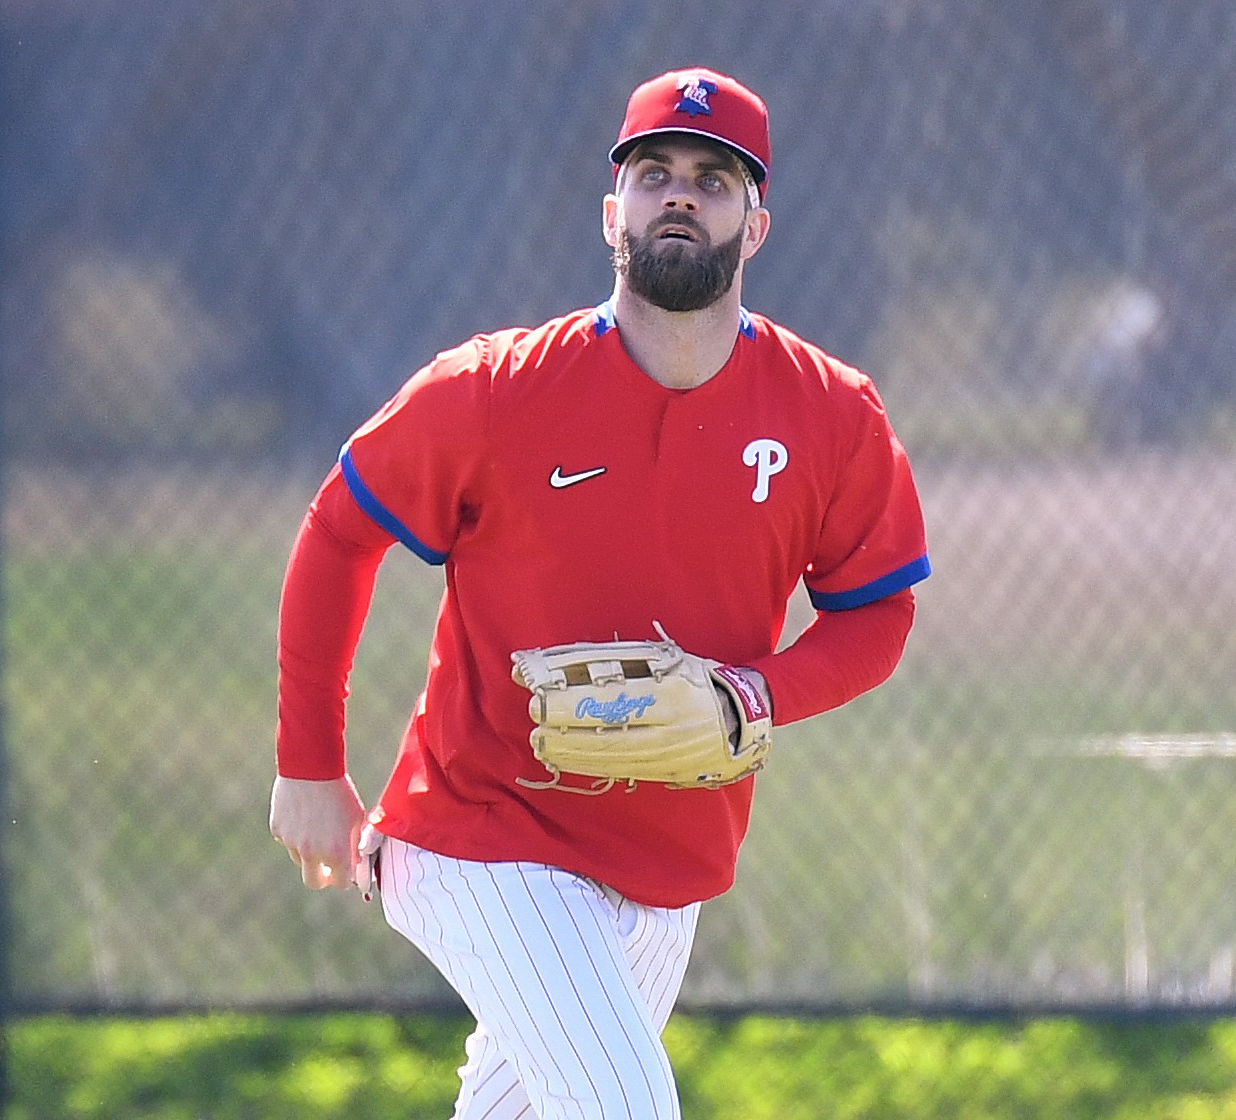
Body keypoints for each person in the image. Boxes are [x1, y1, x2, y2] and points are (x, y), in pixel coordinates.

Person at [270, 66, 930, 1118]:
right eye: (653, 171)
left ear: (756, 225)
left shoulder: (831, 415)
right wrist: (309, 763)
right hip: (478, 833)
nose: (680, 193)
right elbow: (338, 531)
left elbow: (877, 614)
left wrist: (746, 698)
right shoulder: (495, 388)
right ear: (609, 212)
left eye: (714, 180)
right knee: (627, 1107)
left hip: (671, 859)